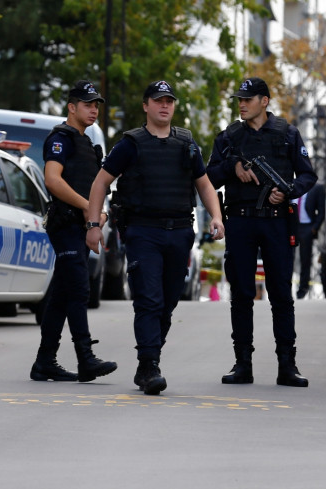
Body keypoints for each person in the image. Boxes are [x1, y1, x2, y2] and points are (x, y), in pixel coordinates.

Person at [86, 80, 224, 395]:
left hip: (179, 232)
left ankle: (150, 358)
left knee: (167, 302)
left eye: (169, 101)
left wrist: (216, 216)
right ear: (146, 105)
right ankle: (149, 366)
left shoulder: (187, 144)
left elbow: (204, 185)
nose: (164, 106)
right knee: (149, 300)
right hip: (143, 232)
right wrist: (94, 224)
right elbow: (100, 183)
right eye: (158, 100)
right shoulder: (130, 144)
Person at [207, 77, 317, 388]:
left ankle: (287, 365)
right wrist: (232, 167)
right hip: (240, 220)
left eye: (248, 98)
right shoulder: (229, 137)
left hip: (275, 221)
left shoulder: (287, 134)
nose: (242, 104)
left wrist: (289, 192)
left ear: (264, 101)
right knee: (241, 293)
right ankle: (243, 363)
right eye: (239, 99)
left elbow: (309, 174)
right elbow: (209, 178)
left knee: (281, 294)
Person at [29, 80, 117, 383]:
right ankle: (85, 358)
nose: (94, 110)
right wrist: (86, 207)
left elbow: (97, 187)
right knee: (79, 288)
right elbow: (52, 180)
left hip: (82, 225)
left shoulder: (90, 145)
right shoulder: (60, 139)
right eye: (87, 104)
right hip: (66, 223)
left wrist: (99, 213)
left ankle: (44, 362)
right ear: (72, 107)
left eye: (96, 105)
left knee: (62, 294)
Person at [295, 182, 326, 299]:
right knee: (288, 257)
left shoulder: (317, 188)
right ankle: (285, 286)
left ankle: (303, 288)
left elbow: (321, 211)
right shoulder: (293, 185)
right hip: (293, 226)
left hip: (307, 227)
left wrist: (314, 229)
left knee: (305, 259)